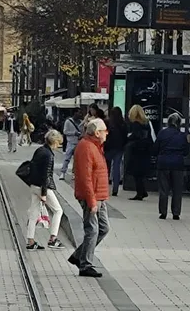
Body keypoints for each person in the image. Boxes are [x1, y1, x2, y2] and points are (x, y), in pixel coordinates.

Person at [67, 118, 110, 278]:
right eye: (105, 130)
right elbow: (85, 177)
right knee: (92, 229)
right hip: (91, 196)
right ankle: (85, 265)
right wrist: (91, 201)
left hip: (99, 195)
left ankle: (79, 256)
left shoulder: (95, 146)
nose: (107, 133)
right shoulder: (86, 147)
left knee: (103, 228)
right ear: (97, 132)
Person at [26, 129, 65, 250]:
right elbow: (46, 175)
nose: (58, 146)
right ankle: (53, 239)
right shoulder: (49, 155)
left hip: (33, 185)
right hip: (43, 187)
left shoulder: (39, 150)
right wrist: (44, 193)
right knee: (58, 210)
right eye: (58, 143)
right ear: (54, 142)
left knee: (33, 214)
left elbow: (32, 167)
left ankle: (30, 241)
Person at [155, 112, 190, 220]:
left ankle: (163, 212)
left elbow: (155, 149)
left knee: (164, 189)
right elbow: (186, 152)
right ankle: (176, 213)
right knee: (177, 189)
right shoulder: (182, 136)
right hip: (177, 164)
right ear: (179, 124)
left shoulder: (162, 133)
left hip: (163, 163)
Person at [125, 105, 153, 201]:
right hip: (145, 151)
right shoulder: (147, 123)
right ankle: (142, 191)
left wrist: (129, 137)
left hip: (136, 151)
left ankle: (140, 192)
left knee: (136, 173)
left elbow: (134, 136)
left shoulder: (135, 124)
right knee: (140, 173)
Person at [104, 106, 128, 197]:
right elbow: (125, 137)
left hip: (109, 148)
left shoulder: (108, 123)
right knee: (116, 168)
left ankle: (105, 187)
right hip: (119, 148)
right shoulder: (123, 124)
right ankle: (115, 189)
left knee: (107, 168)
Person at [60, 108, 84, 180]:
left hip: (79, 143)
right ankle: (63, 173)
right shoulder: (68, 121)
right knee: (67, 158)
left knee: (77, 159)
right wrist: (74, 133)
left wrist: (81, 135)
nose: (80, 114)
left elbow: (82, 131)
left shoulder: (81, 122)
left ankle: (74, 173)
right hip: (70, 142)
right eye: (79, 113)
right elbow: (65, 132)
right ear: (75, 113)